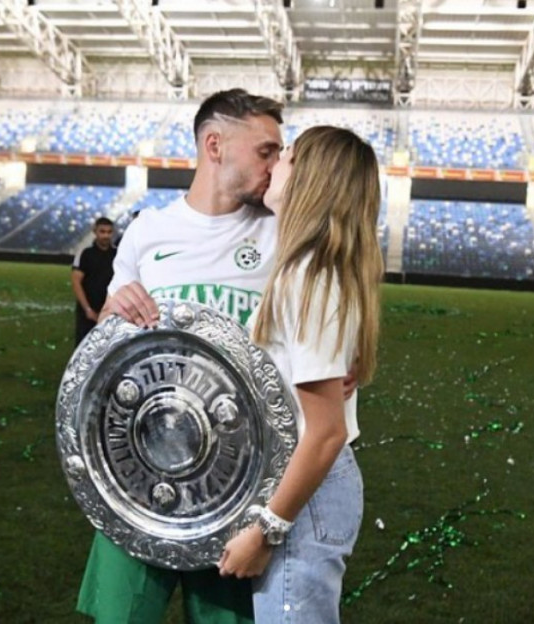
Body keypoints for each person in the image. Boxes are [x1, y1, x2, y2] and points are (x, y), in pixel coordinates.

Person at [77, 88, 286, 624]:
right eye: (265, 150)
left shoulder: (281, 233)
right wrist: (113, 313)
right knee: (120, 617)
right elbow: (105, 349)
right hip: (140, 475)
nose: (275, 165)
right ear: (215, 145)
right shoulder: (149, 231)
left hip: (238, 482)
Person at [217, 126, 382, 624]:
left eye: (285, 157)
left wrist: (267, 529)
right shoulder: (317, 268)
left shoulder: (308, 274)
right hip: (306, 485)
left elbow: (326, 431)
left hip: (304, 490)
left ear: (310, 178)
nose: (273, 167)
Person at [71, 216, 116, 346]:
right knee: (85, 346)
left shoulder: (117, 254)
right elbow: (76, 281)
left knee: (109, 346)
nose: (106, 236)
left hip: (110, 309)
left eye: (109, 232)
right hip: (89, 311)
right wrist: (87, 309)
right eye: (102, 231)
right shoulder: (86, 253)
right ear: (95, 232)